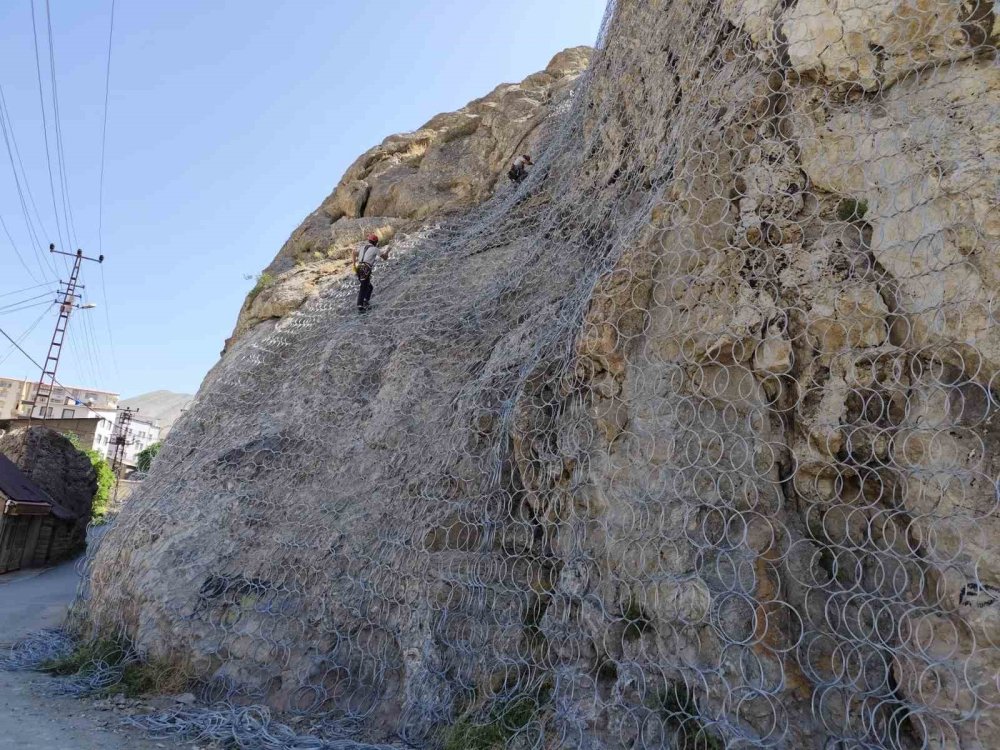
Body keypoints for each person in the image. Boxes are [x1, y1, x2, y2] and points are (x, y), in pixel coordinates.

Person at [352, 234, 390, 313]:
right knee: (364, 287)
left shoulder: (362, 247)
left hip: (359, 268)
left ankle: (366, 301)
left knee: (369, 287)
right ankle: (360, 305)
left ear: (369, 241)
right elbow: (385, 258)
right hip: (365, 269)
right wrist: (388, 250)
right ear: (375, 242)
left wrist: (354, 264)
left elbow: (353, 253)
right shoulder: (375, 249)